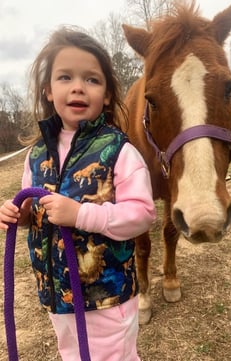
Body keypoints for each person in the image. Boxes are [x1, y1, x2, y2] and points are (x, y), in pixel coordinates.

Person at [0, 25, 156, 361]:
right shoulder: (37, 153)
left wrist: (82, 215)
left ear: (108, 94)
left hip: (107, 297)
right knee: (71, 354)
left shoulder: (120, 151)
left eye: (92, 79)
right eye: (65, 77)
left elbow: (142, 214)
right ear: (48, 90)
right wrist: (22, 215)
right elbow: (34, 207)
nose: (78, 88)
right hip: (58, 294)